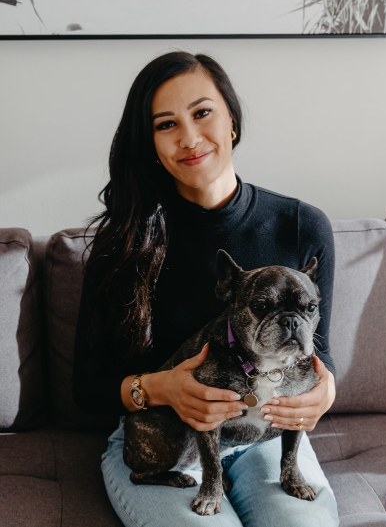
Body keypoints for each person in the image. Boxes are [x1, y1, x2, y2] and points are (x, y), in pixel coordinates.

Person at [73, 50, 340, 527]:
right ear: (151, 143)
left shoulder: (301, 226)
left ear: (231, 120)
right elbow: (86, 389)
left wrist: (327, 392)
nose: (190, 138)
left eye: (202, 113)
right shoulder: (125, 243)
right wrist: (160, 388)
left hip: (265, 436)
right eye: (166, 124)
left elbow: (319, 354)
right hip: (167, 438)